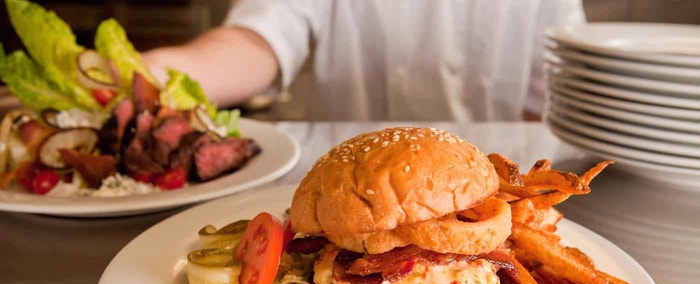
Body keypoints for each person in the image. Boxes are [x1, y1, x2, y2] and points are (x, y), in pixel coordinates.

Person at [143, 0, 585, 121]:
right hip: (342, 189)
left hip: (484, 193)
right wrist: (151, 72)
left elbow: (557, 98)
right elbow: (259, 40)